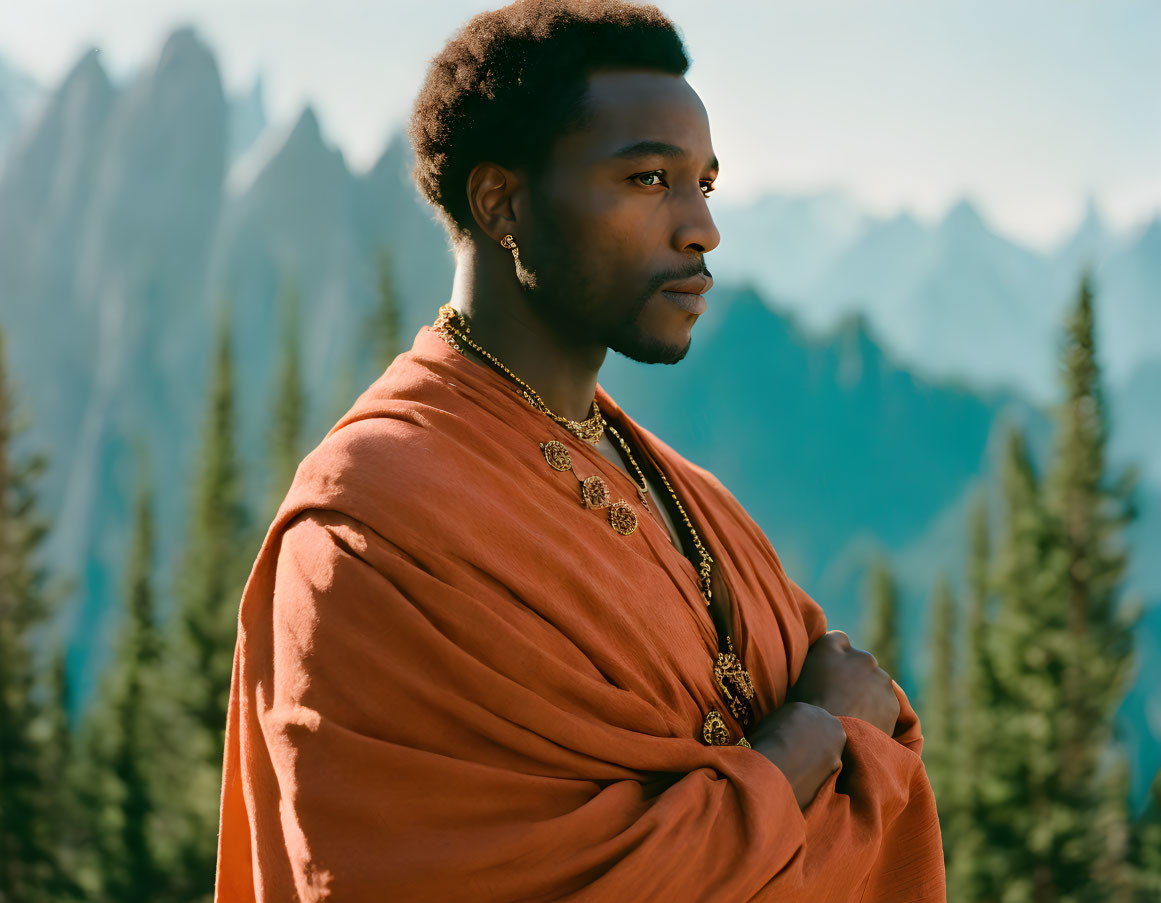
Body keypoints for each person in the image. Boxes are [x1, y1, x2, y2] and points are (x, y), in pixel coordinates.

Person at [214, 1, 945, 900]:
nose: (701, 228)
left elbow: (879, 746)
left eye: (704, 184)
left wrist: (814, 744)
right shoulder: (368, 529)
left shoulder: (690, 498)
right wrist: (809, 741)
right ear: (502, 203)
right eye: (647, 179)